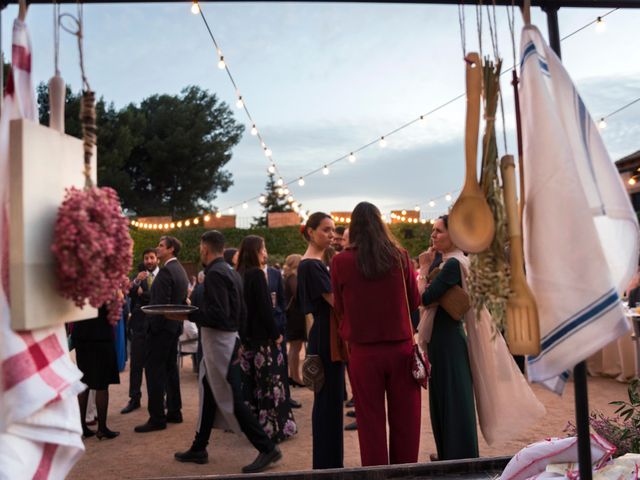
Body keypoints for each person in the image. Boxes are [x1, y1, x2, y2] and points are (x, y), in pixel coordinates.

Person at [172, 230, 282, 473]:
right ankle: (199, 447)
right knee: (211, 392)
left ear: (205, 249)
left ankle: (266, 448)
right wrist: (238, 339)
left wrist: (187, 314)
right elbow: (240, 311)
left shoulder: (214, 275)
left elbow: (219, 315)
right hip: (226, 342)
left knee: (231, 398)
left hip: (220, 344)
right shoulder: (230, 273)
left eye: (201, 249)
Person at [331, 201, 421, 466]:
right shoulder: (401, 256)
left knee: (369, 424)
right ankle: (404, 473)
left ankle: (376, 474)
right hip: (401, 348)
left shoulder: (340, 261)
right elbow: (414, 301)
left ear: (353, 228)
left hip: (363, 351)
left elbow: (339, 305)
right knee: (406, 421)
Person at [418, 215, 478, 460]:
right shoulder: (450, 261)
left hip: (448, 340)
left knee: (451, 398)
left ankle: (456, 456)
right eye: (432, 230)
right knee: (445, 396)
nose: (433, 235)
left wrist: (423, 268)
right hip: (445, 338)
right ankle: (448, 453)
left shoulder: (453, 264)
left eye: (439, 231)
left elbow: (425, 298)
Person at [237, 235, 297, 443]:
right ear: (255, 251)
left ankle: (256, 429)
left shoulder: (240, 274)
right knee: (272, 386)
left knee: (254, 386)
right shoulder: (256, 275)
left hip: (249, 340)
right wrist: (277, 335)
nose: (265, 252)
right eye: (262, 248)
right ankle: (274, 429)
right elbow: (265, 310)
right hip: (264, 340)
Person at [297, 212, 345, 469]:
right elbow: (337, 303)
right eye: (326, 230)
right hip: (327, 335)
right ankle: (328, 464)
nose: (331, 234)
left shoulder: (314, 262)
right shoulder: (311, 265)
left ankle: (328, 463)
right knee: (328, 401)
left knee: (328, 400)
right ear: (311, 232)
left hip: (324, 333)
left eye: (333, 229)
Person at [135, 236, 190, 433]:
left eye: (160, 246)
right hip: (173, 328)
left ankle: (157, 417)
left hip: (161, 330)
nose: (158, 249)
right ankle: (174, 411)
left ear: (171, 249)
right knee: (170, 370)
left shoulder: (167, 270)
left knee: (154, 372)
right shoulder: (180, 270)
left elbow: (161, 304)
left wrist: (154, 329)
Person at [73, 304, 121, 440]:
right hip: (101, 335)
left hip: (81, 335)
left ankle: (81, 427)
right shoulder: (105, 285)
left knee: (84, 382)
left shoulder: (78, 285)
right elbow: (115, 311)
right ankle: (102, 429)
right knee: (102, 383)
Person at [122, 249, 159, 414]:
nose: (149, 261)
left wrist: (144, 296)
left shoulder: (163, 276)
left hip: (157, 327)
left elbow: (158, 299)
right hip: (139, 326)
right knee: (136, 364)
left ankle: (159, 398)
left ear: (157, 259)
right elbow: (129, 294)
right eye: (146, 258)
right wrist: (136, 282)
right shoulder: (138, 277)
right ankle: (134, 398)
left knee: (157, 366)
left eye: (152, 258)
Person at [283, 254, 306, 387]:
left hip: (293, 316)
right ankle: (295, 377)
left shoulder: (289, 277)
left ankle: (293, 375)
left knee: (295, 347)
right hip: (295, 317)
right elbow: (298, 294)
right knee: (295, 347)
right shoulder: (292, 277)